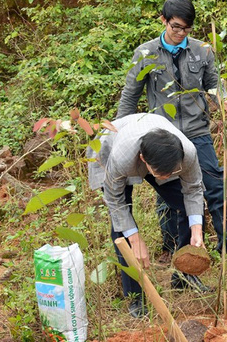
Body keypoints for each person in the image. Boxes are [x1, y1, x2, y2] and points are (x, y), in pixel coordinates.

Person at [117, 0, 227, 258]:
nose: (180, 33)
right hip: (163, 134)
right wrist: (119, 131)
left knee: (216, 187)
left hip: (197, 132)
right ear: (163, 20)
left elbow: (213, 84)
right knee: (171, 195)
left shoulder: (202, 50)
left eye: (186, 29)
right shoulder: (146, 53)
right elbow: (130, 95)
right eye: (176, 27)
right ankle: (173, 249)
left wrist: (223, 101)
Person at [87, 113, 207, 318]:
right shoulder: (121, 157)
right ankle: (136, 297)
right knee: (121, 232)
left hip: (159, 150)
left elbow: (194, 189)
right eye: (164, 174)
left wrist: (197, 230)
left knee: (190, 210)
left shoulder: (186, 152)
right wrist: (135, 238)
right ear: (143, 160)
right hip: (111, 145)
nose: (169, 177)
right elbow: (115, 201)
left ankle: (185, 276)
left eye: (172, 172)